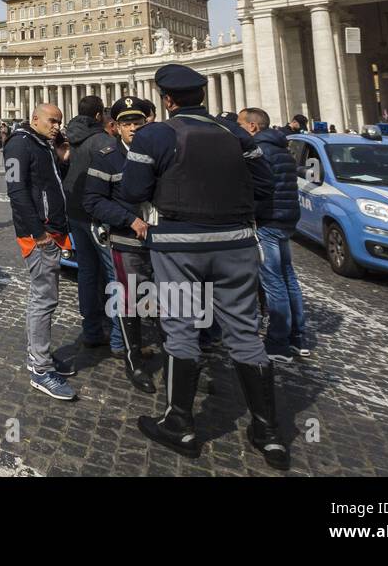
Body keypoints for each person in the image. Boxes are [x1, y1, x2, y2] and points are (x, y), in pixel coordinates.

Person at [119, 64, 288, 469]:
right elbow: (266, 185)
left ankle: (181, 423)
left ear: (168, 99)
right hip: (235, 244)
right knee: (245, 333)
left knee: (180, 329)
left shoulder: (156, 134)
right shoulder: (235, 135)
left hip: (179, 246)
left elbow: (132, 190)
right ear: (203, 96)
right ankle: (268, 432)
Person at [83, 96, 160, 392]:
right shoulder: (106, 156)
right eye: (127, 123)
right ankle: (133, 360)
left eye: (137, 122)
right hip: (125, 238)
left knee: (162, 299)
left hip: (158, 238)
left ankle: (174, 357)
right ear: (116, 127)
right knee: (128, 301)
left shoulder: (158, 152)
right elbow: (92, 200)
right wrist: (129, 219)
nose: (133, 128)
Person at [5, 102, 76, 400]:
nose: (56, 125)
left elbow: (48, 184)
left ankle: (40, 353)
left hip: (53, 230)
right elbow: (15, 190)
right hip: (39, 235)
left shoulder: (43, 144)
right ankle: (40, 367)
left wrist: (63, 159)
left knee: (47, 297)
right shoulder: (19, 145)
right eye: (51, 120)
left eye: (59, 121)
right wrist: (38, 232)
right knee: (43, 299)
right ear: (34, 119)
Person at [239, 107, 310, 361]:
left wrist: (249, 215)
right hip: (287, 219)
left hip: (268, 220)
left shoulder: (259, 150)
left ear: (253, 127)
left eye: (240, 123)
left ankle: (279, 342)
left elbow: (259, 189)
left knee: (273, 282)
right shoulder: (283, 148)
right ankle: (298, 337)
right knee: (288, 277)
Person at [62, 95, 118, 353]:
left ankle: (92, 329)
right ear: (98, 116)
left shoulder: (70, 138)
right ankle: (120, 336)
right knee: (113, 273)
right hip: (98, 215)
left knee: (86, 272)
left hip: (75, 211)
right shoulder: (102, 141)